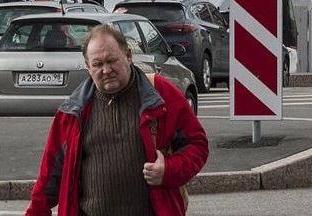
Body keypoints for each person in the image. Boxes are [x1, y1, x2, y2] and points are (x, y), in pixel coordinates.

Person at [26, 23, 208, 216]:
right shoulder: (73, 112)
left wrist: (169, 170)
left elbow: (198, 145)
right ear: (88, 67)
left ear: (128, 56)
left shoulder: (160, 94)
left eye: (112, 60)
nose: (106, 70)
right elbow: (49, 175)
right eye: (97, 64)